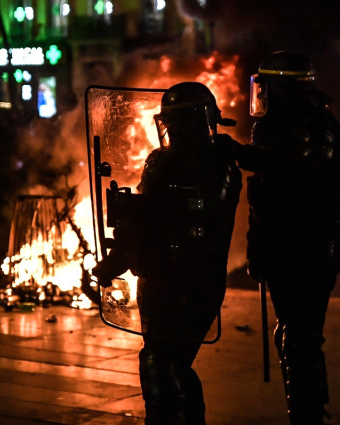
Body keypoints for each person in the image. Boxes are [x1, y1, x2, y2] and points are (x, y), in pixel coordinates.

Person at [231, 50, 340, 425]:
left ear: (278, 87)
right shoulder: (325, 122)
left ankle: (306, 415)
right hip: (321, 245)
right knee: (303, 332)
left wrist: (243, 156)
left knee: (297, 336)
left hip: (290, 247)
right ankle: (312, 408)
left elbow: (275, 188)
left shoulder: (277, 126)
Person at [93, 82, 242, 425]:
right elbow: (145, 220)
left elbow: (198, 220)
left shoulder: (219, 165)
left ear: (197, 121)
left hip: (194, 281)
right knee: (158, 362)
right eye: (169, 124)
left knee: (167, 364)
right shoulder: (160, 162)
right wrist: (120, 250)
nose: (172, 131)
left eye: (179, 123)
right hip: (157, 279)